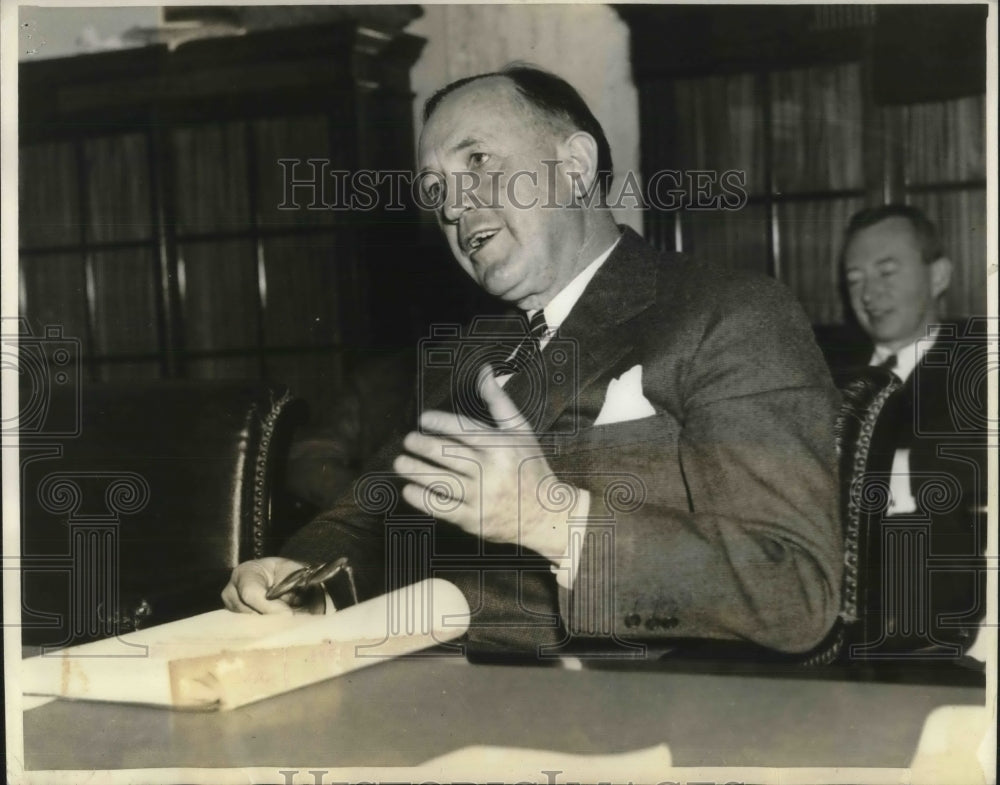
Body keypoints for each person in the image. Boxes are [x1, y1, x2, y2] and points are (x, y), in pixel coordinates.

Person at [223, 65, 842, 659]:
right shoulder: (465, 356)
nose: (453, 205)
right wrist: (298, 581)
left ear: (574, 166)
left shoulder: (728, 315)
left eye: (479, 161)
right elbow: (362, 521)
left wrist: (552, 518)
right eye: (435, 187)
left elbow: (794, 591)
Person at [838, 204, 987, 655]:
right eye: (854, 279)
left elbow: (969, 468)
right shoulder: (825, 367)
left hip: (934, 626)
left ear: (938, 277)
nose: (869, 293)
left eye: (887, 272)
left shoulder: (978, 363)